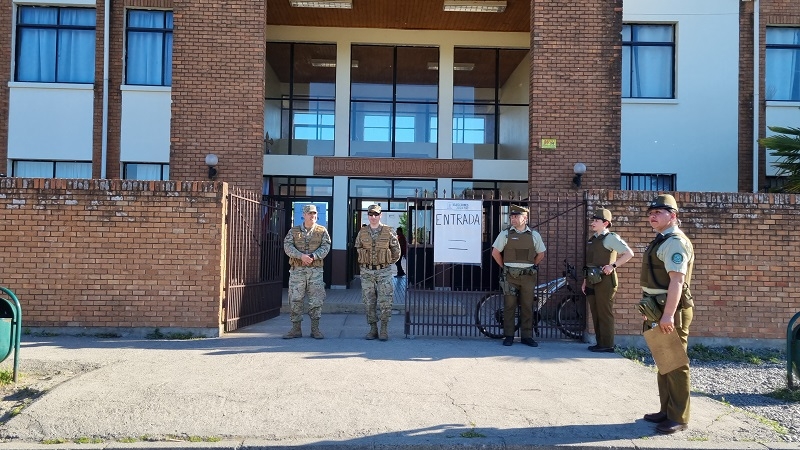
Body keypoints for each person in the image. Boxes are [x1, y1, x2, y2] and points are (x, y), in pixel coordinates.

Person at [639, 194, 695, 434]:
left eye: (658, 212)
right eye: (651, 212)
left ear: (673, 216)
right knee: (664, 362)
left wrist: (668, 315)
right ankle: (667, 410)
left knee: (675, 363)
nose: (653, 216)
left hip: (670, 309)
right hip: (657, 307)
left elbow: (677, 282)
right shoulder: (661, 239)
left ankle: (679, 417)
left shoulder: (674, 242)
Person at [491, 204, 546, 347]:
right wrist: (505, 267)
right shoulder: (505, 234)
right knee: (509, 306)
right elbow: (495, 253)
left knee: (527, 306)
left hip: (528, 276)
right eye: (511, 217)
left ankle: (526, 336)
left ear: (525, 218)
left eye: (516, 216)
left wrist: (532, 265)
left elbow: (541, 254)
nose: (512, 219)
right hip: (510, 276)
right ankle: (508, 335)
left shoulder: (534, 235)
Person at [582, 208, 634, 353]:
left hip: (605, 281)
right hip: (592, 279)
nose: (593, 223)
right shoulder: (593, 239)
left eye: (596, 221)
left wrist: (613, 265)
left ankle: (607, 345)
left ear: (605, 223)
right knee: (596, 312)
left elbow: (629, 253)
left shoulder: (610, 238)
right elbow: (590, 262)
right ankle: (600, 343)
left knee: (604, 312)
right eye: (593, 220)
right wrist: (585, 281)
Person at [282, 204, 331, 340]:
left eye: (314, 213)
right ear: (303, 215)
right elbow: (287, 246)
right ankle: (296, 329)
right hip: (297, 271)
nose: (312, 215)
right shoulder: (294, 231)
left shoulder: (322, 231)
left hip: (315, 271)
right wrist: (300, 256)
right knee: (295, 299)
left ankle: (315, 329)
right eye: (309, 213)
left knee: (316, 301)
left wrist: (313, 256)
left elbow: (326, 247)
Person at [355, 204, 401, 341]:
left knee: (385, 301)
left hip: (384, 272)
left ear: (380, 215)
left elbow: (396, 251)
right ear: (367, 216)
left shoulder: (389, 231)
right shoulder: (362, 232)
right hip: (367, 272)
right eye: (370, 215)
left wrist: (386, 262)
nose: (373, 217)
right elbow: (358, 248)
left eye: (376, 215)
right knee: (369, 302)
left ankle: (384, 329)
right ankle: (373, 329)